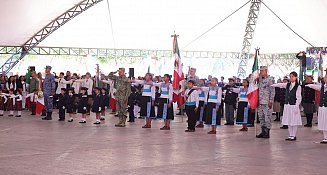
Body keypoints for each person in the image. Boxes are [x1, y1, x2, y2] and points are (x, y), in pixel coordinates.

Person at [272, 72, 302, 141]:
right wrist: (272, 85)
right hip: (287, 105)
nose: (291, 78)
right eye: (290, 76)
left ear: (296, 77)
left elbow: (299, 97)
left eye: (293, 76)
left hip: (293, 105)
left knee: (294, 121)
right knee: (289, 120)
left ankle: (293, 135)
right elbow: (280, 85)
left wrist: (296, 106)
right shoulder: (288, 85)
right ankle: (290, 135)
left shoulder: (298, 86)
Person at [306, 74, 327, 144]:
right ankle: (325, 137)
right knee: (324, 122)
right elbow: (316, 87)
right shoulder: (323, 86)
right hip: (323, 106)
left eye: (326, 77)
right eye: (325, 77)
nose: (325, 78)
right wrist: (309, 85)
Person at [256, 66, 275, 138]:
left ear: (266, 71)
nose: (260, 72)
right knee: (261, 117)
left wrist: (271, 101)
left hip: (267, 101)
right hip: (260, 101)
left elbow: (272, 91)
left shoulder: (270, 79)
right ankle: (263, 131)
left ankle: (267, 132)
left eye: (262, 71)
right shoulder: (259, 79)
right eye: (260, 71)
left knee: (267, 117)